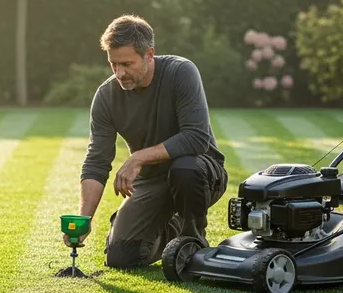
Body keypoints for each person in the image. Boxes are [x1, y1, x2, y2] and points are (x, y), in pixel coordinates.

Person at [68, 14, 228, 269]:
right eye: (113, 64)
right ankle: (172, 228)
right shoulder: (106, 97)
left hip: (201, 174)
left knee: (184, 168)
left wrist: (138, 157)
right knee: (121, 257)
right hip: (153, 182)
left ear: (149, 54)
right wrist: (84, 219)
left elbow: (196, 138)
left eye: (127, 64)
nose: (120, 73)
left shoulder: (181, 72)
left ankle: (193, 240)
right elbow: (97, 161)